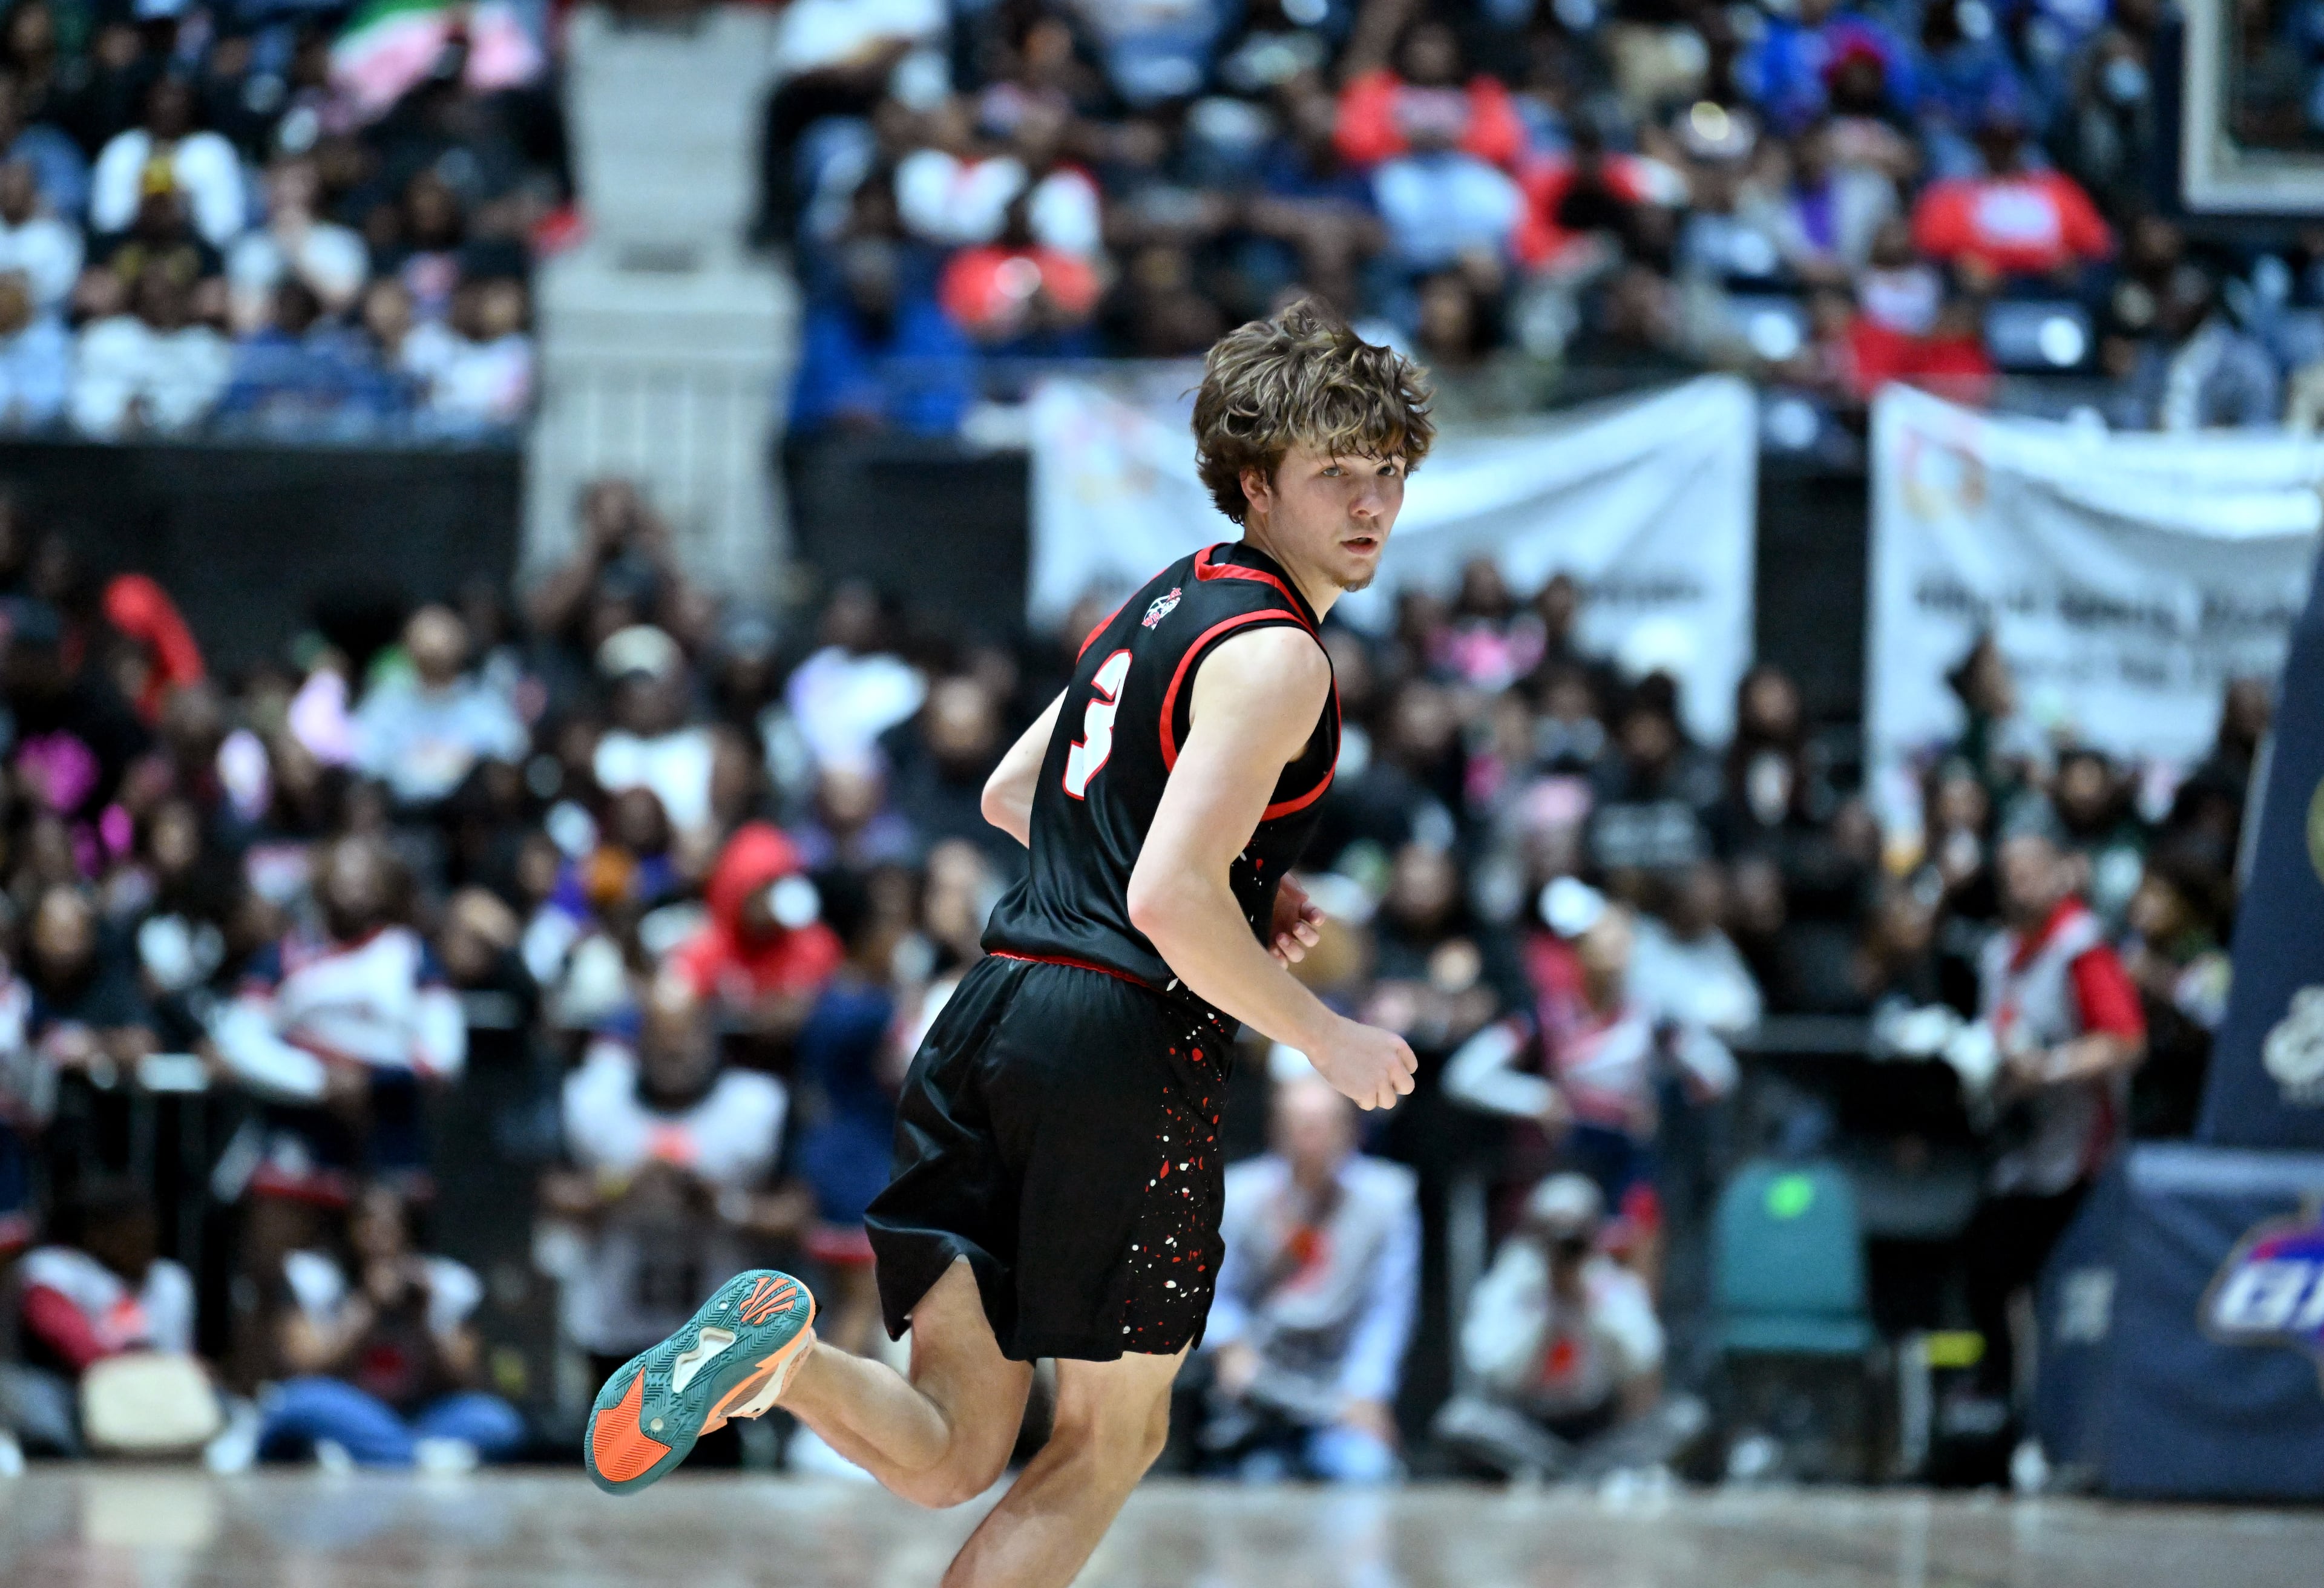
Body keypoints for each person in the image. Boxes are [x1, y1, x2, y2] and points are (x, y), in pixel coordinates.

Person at [582, 301, 1426, 1588]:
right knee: (1109, 1435)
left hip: (990, 1012)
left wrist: (1232, 893)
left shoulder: (1166, 600)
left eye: (1388, 473)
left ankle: (782, 1362)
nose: (1371, 504)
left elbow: (1015, 797)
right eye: (1336, 474)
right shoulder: (1281, 660)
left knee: (953, 1452)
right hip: (1117, 1052)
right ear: (1258, 483)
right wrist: (1327, 1037)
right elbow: (1167, 901)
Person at [1962, 830, 2145, 1421]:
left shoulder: (2080, 947)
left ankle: (2053, 1417)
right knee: (1984, 1261)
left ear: (2059, 872)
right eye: (2008, 872)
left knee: (2052, 1284)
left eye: (2030, 871)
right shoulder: (1998, 953)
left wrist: (2050, 1068)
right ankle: (2002, 1404)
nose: (2019, 884)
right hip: (2022, 1146)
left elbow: (2125, 1041)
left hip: (2082, 1152)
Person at [1200, 1067, 1419, 1483]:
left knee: (1366, 1473)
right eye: (1298, 1126)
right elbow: (1211, 1291)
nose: (1310, 1139)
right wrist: (1229, 1343)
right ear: (1276, 1129)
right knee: (1255, 1484)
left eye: (1322, 1126)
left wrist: (1367, 1391)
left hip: (1340, 1384)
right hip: (1261, 1383)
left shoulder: (1388, 1200)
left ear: (1350, 1130)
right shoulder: (1240, 1196)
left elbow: (1388, 1310)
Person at [1433, 1173, 1698, 1480]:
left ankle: (1559, 1474)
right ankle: (1573, 1475)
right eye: (1553, 1229)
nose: (1564, 1242)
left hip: (1597, 1428)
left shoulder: (1607, 1282)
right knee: (1459, 1421)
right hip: (1529, 1426)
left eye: (1575, 1231)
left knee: (1685, 1419)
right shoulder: (1511, 1282)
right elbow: (1494, 1368)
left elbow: (1644, 1358)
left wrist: (1591, 1303)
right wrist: (1544, 1310)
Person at [252, 1184, 527, 1469]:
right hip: (346, 1411)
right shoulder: (317, 1277)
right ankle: (415, 1459)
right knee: (301, 1403)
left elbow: (467, 1378)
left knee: (496, 1422)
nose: (378, 1235)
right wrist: (366, 1307)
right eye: (367, 1222)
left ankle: (371, 1455)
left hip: (419, 1419)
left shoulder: (444, 1284)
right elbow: (302, 1368)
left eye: (390, 1224)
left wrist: (424, 1319)